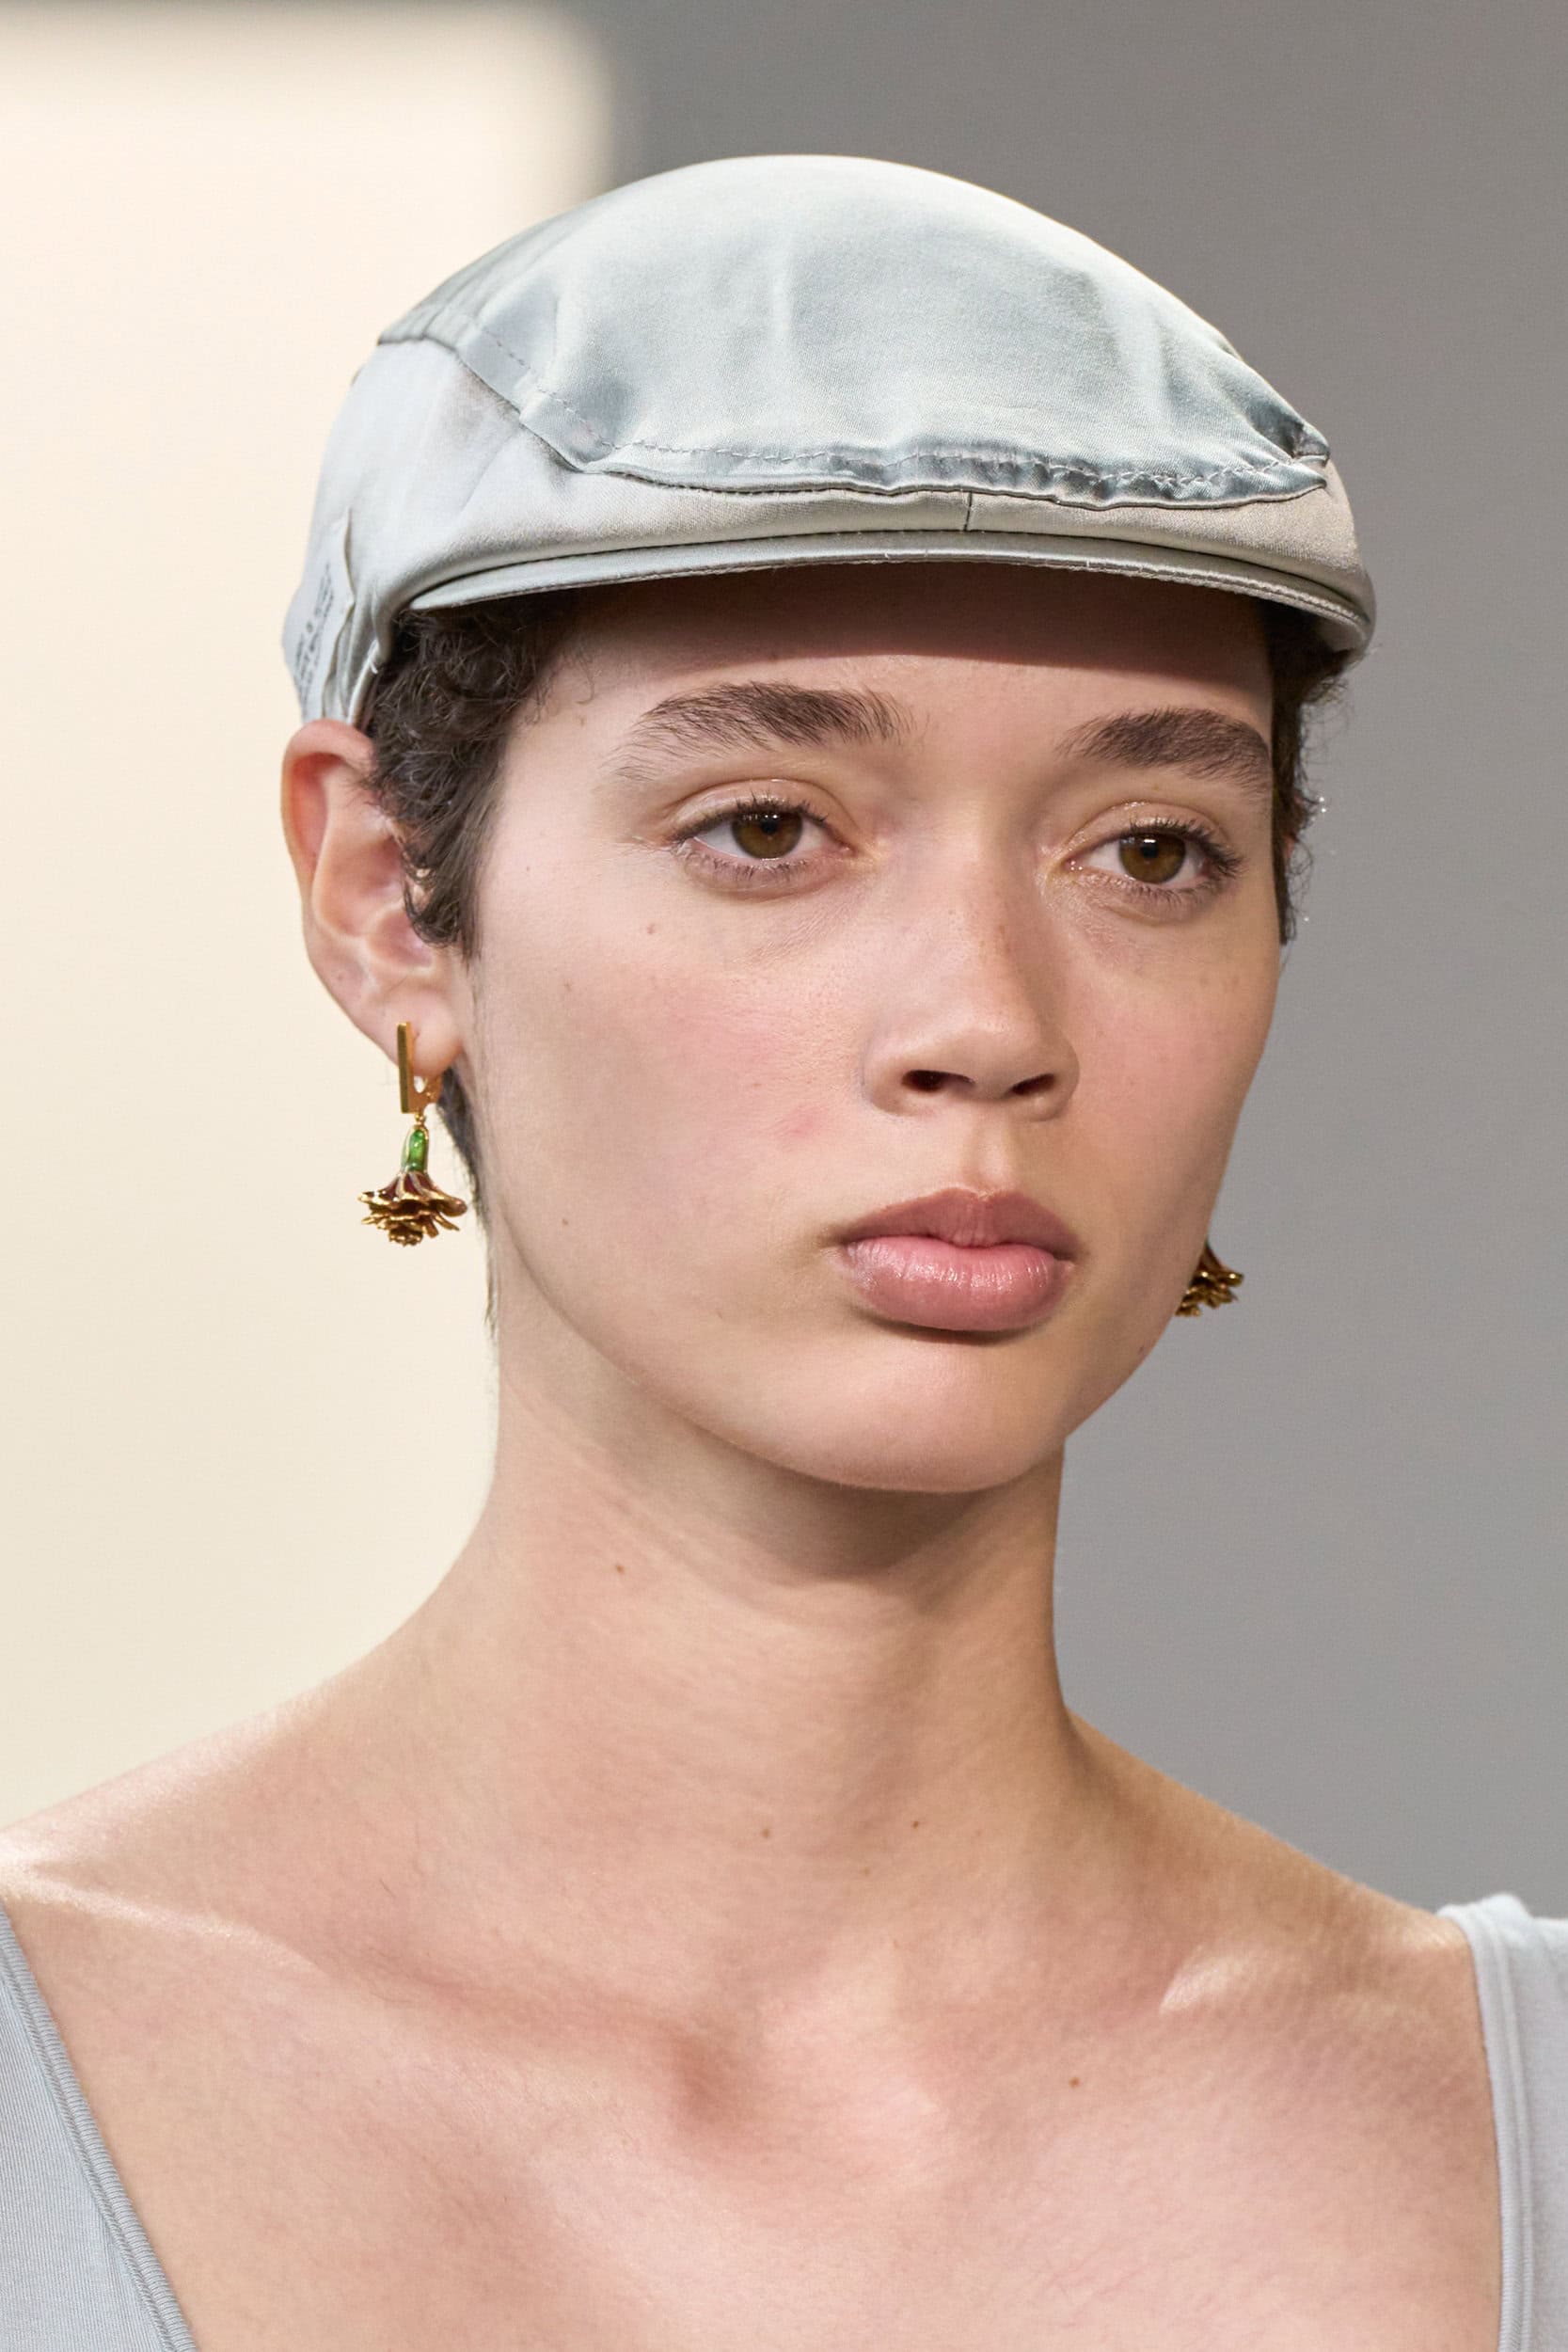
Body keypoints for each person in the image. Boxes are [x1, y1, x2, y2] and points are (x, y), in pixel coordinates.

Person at [0, 152, 1559, 2350]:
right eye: (766, 829)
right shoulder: (54, 2066)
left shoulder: (1510, 2115)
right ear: (386, 900)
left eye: (1151, 848)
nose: (988, 1021)